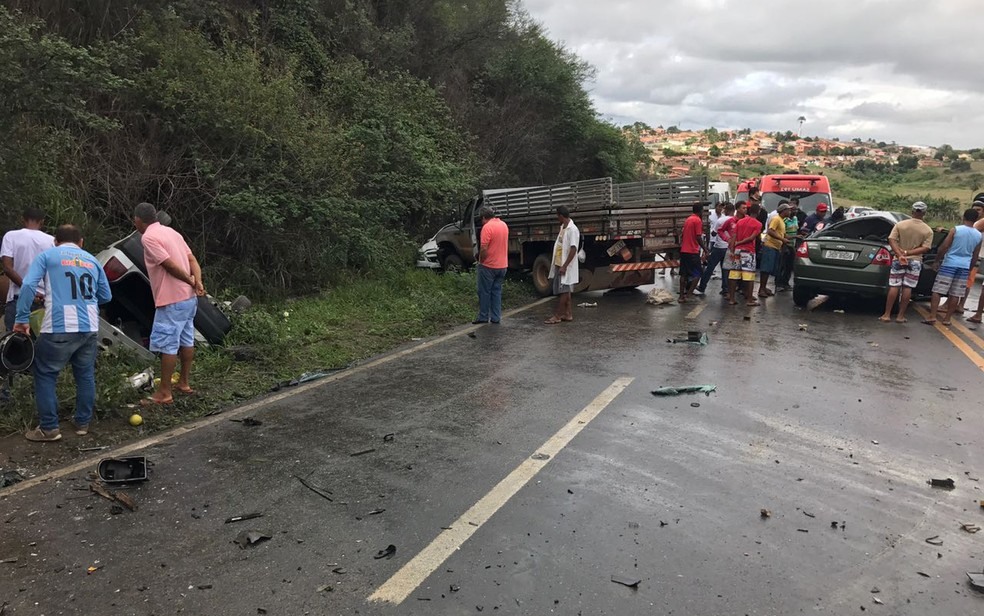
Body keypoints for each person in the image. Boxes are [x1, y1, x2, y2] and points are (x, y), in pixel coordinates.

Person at [13, 225, 111, 441]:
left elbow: (28, 285)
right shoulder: (92, 260)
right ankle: (82, 423)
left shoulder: (48, 256)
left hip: (58, 325)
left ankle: (49, 429)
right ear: (81, 242)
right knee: (85, 375)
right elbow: (106, 295)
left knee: (46, 374)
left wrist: (21, 318)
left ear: (55, 241)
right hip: (89, 327)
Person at [133, 202, 206, 405]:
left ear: (138, 220)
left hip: (171, 298)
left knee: (168, 345)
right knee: (186, 338)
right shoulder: (172, 233)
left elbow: (169, 265)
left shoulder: (148, 237)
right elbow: (192, 260)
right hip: (188, 298)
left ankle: (164, 392)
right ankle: (183, 382)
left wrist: (190, 280)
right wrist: (197, 281)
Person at [925, 209, 982, 326]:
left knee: (938, 290)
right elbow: (975, 256)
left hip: (949, 264)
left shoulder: (956, 230)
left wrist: (936, 260)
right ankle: (947, 319)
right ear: (976, 219)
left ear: (963, 217)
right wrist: (970, 268)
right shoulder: (978, 235)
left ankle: (932, 316)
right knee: (955, 293)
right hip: (964, 266)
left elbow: (944, 246)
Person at [879, 201, 934, 323]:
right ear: (924, 213)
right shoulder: (928, 230)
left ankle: (887, 315)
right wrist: (908, 253)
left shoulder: (900, 225)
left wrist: (900, 254)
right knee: (908, 287)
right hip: (915, 261)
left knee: (894, 285)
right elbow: (926, 248)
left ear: (912, 211)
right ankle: (900, 316)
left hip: (898, 259)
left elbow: (891, 240)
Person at [2, 208, 55, 332]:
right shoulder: (52, 241)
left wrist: (28, 289)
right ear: (42, 222)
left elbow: (7, 268)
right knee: (40, 346)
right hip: (44, 301)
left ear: (22, 220)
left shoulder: (11, 236)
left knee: (15, 344)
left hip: (18, 298)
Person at [545, 205, 580, 325]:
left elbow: (573, 249)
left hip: (565, 265)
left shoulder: (573, 229)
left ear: (560, 215)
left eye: (557, 215)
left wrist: (564, 266)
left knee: (564, 291)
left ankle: (558, 316)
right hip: (559, 262)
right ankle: (568, 314)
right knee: (566, 290)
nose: (557, 218)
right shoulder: (563, 228)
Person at [474, 206, 508, 324]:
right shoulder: (503, 225)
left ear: (484, 217)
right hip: (503, 265)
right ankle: (496, 317)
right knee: (496, 291)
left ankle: (483, 316)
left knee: (484, 291)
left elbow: (484, 248)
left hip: (489, 265)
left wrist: (481, 260)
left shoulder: (487, 227)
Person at [727, 201, 763, 307]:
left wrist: (733, 248)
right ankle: (749, 300)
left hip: (737, 250)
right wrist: (739, 243)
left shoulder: (740, 222)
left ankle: (732, 299)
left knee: (734, 274)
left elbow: (733, 236)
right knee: (749, 276)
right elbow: (751, 238)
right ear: (758, 212)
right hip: (748, 251)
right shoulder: (758, 224)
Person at [697, 202, 735, 296]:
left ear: (725, 210)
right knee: (726, 269)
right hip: (729, 247)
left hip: (719, 247)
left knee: (710, 268)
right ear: (733, 211)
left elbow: (714, 233)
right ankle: (725, 289)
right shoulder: (735, 220)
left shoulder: (721, 220)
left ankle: (702, 286)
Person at [679, 202, 708, 302]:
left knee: (684, 274)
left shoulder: (688, 219)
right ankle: (689, 295)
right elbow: (698, 237)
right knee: (698, 274)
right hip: (692, 251)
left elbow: (682, 235)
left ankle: (681, 296)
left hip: (684, 250)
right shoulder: (697, 220)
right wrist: (705, 249)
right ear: (700, 210)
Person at [759, 202, 789, 297]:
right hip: (770, 246)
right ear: (784, 211)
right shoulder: (776, 219)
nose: (790, 211)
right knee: (766, 269)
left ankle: (764, 287)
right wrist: (782, 239)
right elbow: (770, 231)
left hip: (775, 247)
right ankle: (761, 289)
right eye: (788, 210)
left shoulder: (782, 221)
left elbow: (782, 234)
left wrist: (795, 236)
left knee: (770, 268)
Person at [776, 200, 801, 291]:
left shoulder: (795, 219)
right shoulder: (784, 220)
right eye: (792, 210)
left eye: (795, 210)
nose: (794, 211)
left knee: (790, 265)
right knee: (783, 264)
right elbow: (783, 233)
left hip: (793, 244)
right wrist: (794, 236)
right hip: (785, 244)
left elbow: (796, 229)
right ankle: (779, 282)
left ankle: (785, 282)